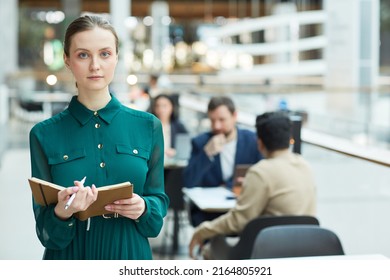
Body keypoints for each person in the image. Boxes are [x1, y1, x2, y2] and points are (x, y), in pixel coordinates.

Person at [29, 15, 169, 260]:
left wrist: (144, 207)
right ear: (67, 60)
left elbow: (156, 213)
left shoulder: (148, 126)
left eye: (105, 54)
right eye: (83, 55)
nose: (95, 65)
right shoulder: (43, 134)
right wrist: (62, 211)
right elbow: (45, 233)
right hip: (69, 258)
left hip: (129, 254)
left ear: (116, 57)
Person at [188, 111, 317, 259]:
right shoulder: (305, 166)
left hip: (266, 250)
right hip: (305, 248)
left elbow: (238, 221)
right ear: (290, 139)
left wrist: (203, 230)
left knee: (211, 248)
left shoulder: (260, 172)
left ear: (259, 142)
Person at [183, 96, 263, 226]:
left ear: (234, 116)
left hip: (242, 207)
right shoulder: (201, 142)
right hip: (209, 212)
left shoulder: (253, 141)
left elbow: (263, 173)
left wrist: (230, 186)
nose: (217, 126)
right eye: (212, 120)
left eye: (222, 120)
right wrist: (206, 154)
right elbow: (188, 182)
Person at [150, 93, 188, 159]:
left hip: (173, 165)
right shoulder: (149, 127)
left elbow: (186, 148)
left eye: (165, 106)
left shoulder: (179, 127)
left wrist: (176, 152)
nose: (161, 109)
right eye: (157, 106)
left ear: (172, 107)